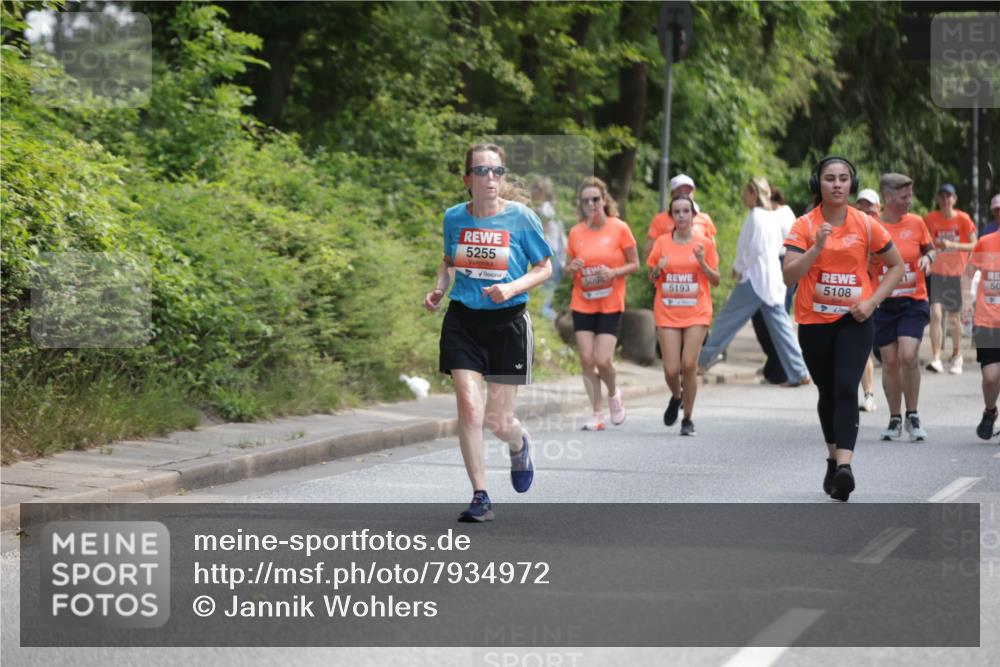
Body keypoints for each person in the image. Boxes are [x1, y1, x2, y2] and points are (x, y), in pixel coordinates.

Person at [424, 143, 552, 523]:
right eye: (481, 171)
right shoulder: (454, 218)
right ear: (468, 179)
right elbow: (448, 262)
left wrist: (512, 288)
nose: (490, 179)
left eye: (496, 171)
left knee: (498, 421)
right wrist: (438, 287)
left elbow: (544, 267)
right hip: (463, 320)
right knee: (468, 406)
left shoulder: (522, 218)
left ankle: (519, 443)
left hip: (508, 323)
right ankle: (480, 494)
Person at [783, 156, 903, 502]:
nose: (837, 184)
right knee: (828, 392)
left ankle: (846, 467)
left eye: (843, 179)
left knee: (847, 386)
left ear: (851, 184)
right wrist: (816, 247)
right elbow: (789, 275)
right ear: (817, 184)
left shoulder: (866, 224)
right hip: (814, 322)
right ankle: (833, 459)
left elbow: (895, 265)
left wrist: (873, 302)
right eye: (829, 179)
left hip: (856, 319)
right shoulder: (804, 225)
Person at [696, 177, 811, 386]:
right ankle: (799, 371)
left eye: (746, 192)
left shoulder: (756, 216)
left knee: (726, 320)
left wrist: (738, 268)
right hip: (771, 279)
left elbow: (754, 248)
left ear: (754, 194)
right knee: (781, 326)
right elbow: (775, 248)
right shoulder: (770, 217)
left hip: (756, 280)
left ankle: (701, 361)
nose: (743, 196)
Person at [564, 177, 639, 431]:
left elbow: (635, 264)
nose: (591, 204)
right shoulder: (576, 232)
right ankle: (596, 412)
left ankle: (614, 394)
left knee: (603, 359)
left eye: (595, 199)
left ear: (604, 200)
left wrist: (614, 273)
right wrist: (571, 267)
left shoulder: (619, 228)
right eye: (586, 201)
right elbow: (567, 269)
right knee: (586, 359)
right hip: (583, 302)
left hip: (610, 302)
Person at [647, 194, 721, 436]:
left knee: (689, 364)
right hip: (667, 311)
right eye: (676, 212)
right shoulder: (661, 243)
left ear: (693, 215)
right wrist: (658, 269)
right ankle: (676, 395)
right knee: (670, 370)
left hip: (696, 311)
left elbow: (716, 280)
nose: (681, 216)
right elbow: (652, 278)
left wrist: (702, 262)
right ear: (671, 216)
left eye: (685, 211)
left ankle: (688, 418)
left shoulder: (704, 244)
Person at [871, 174, 935, 442]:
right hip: (883, 304)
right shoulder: (872, 226)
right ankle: (894, 417)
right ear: (888, 197)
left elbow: (930, 249)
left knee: (908, 355)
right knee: (889, 361)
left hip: (913, 301)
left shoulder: (917, 223)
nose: (909, 201)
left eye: (910, 195)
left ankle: (913, 414)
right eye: (904, 197)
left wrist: (927, 259)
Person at [924, 184, 977, 375]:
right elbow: (925, 242)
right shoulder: (931, 218)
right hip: (937, 274)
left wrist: (952, 244)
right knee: (935, 315)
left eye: (949, 197)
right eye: (942, 197)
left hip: (956, 274)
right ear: (938, 200)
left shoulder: (963, 219)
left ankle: (956, 356)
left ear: (954, 199)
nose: (945, 200)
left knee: (954, 318)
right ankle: (936, 357)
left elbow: (974, 244)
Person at [963, 231, 1000, 439]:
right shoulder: (986, 243)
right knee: (991, 376)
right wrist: (967, 301)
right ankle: (990, 411)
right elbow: (968, 273)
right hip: (987, 321)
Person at [642, 174, 717, 260]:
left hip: (697, 271)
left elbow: (713, 253)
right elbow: (648, 253)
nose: (684, 195)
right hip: (669, 271)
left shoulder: (704, 219)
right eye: (680, 192)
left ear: (693, 194)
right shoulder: (660, 220)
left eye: (688, 192)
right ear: (672, 194)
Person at [855, 188, 882, 413]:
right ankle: (869, 395)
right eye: (860, 204)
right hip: (862, 297)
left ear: (878, 208)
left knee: (891, 356)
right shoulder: (851, 229)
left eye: (869, 205)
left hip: (885, 298)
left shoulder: (883, 230)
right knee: (864, 350)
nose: (864, 209)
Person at [531, 176, 567, 321]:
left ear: (542, 191)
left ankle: (560, 331)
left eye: (535, 188)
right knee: (543, 303)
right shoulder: (550, 208)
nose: (531, 191)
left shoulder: (544, 210)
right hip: (555, 259)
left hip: (549, 259)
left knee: (542, 305)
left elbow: (546, 240)